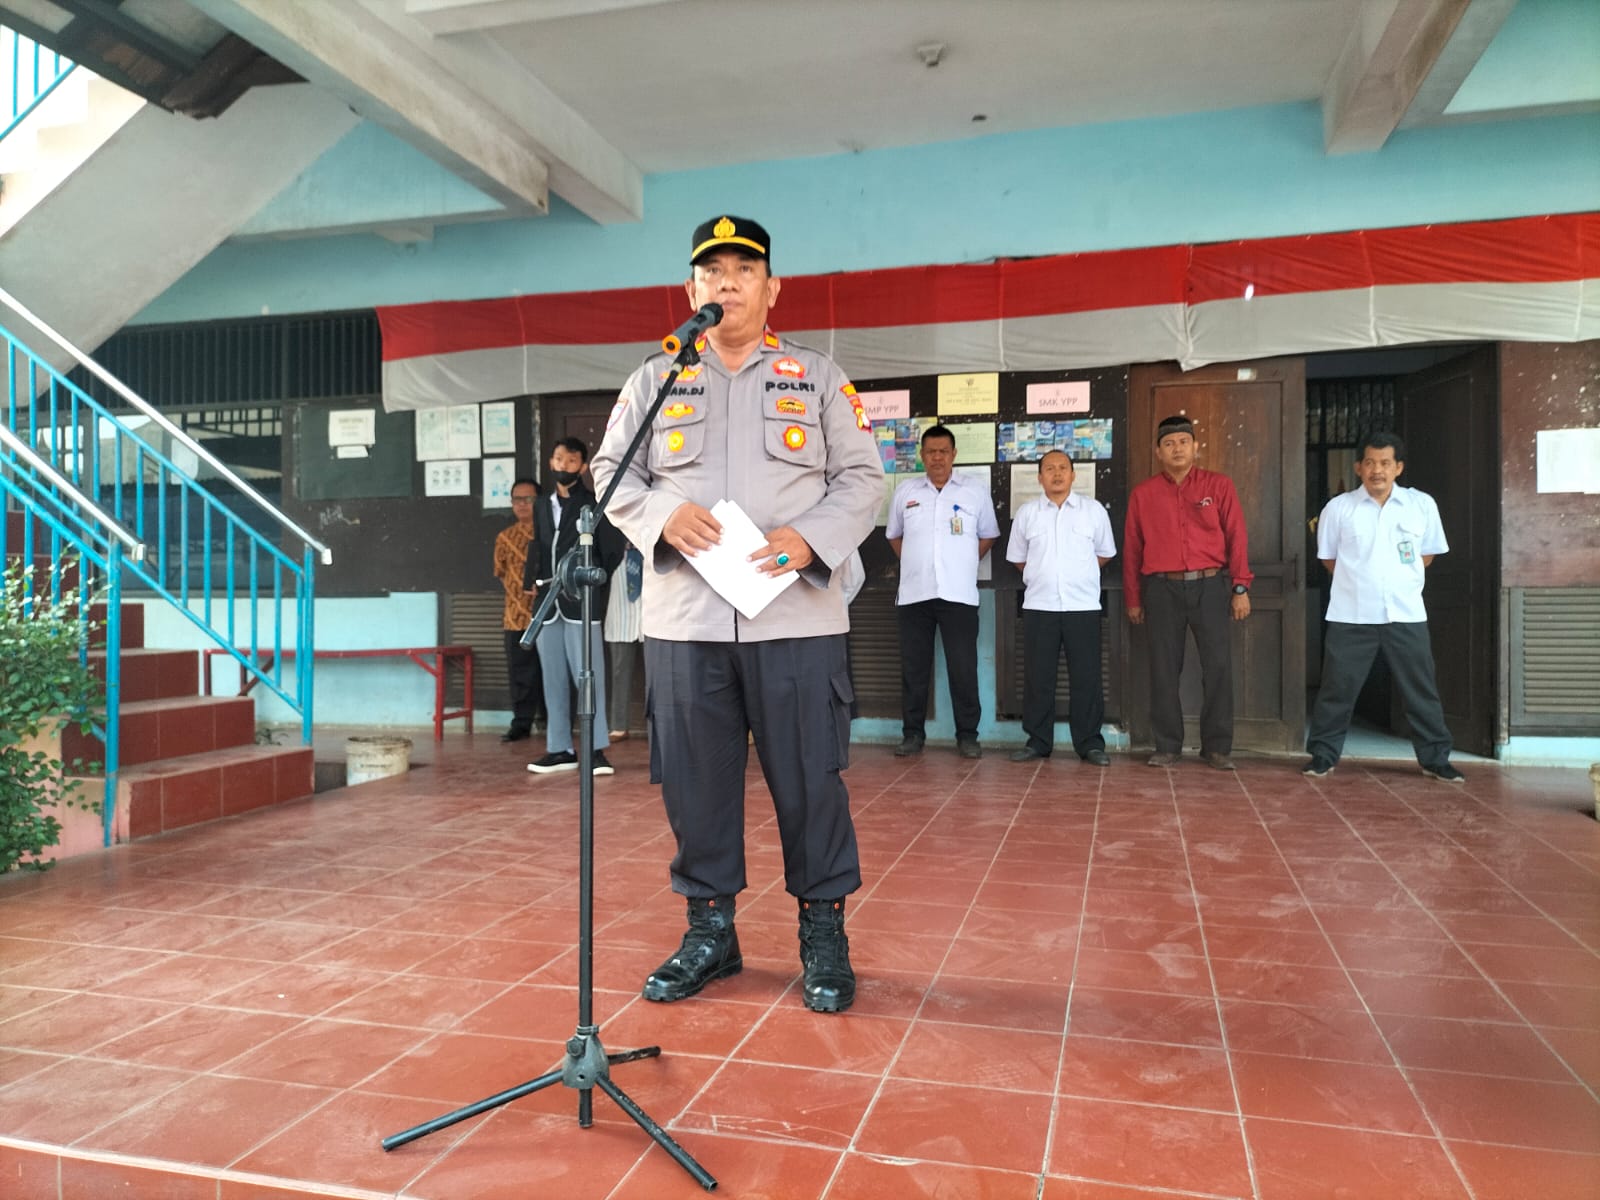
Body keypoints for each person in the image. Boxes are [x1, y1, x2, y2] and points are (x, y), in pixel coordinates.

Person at [590, 214, 883, 1014]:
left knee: (809, 784)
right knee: (694, 785)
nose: (726, 282)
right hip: (686, 622)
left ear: (770, 287)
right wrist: (658, 519)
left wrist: (808, 539)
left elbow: (863, 480)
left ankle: (823, 933)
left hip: (796, 619)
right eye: (711, 271)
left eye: (742, 269)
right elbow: (610, 470)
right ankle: (710, 932)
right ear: (693, 290)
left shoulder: (817, 377)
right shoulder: (655, 380)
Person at [1303, 432, 1462, 782]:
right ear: (1358, 467)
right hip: (1351, 614)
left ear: (1398, 467)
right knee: (1337, 689)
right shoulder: (1339, 508)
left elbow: (1428, 554)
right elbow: (1329, 559)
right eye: (1370, 463)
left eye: (1386, 463)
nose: (1378, 470)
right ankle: (1323, 756)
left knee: (1420, 689)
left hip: (1405, 613)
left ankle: (1435, 759)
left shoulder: (1421, 505)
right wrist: (1362, 581)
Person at [1123, 414, 1252, 770]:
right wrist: (1133, 598)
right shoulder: (1143, 494)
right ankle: (1167, 745)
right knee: (1164, 669)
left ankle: (1217, 747)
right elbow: (1132, 549)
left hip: (1211, 586)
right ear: (1158, 452)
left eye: (1183, 441)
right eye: (1169, 443)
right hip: (1162, 589)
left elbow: (1237, 538)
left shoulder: (1219, 486)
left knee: (1218, 668)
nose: (1176, 448)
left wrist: (1240, 586)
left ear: (1195, 447)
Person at [885, 424, 998, 759]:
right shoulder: (906, 492)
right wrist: (916, 562)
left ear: (954, 455)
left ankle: (967, 735)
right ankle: (912, 734)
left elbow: (988, 534)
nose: (937, 457)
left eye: (943, 451)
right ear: (922, 455)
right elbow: (894, 535)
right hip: (914, 595)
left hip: (958, 594)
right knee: (914, 668)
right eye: (931, 451)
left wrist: (962, 562)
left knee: (963, 667)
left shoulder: (974, 492)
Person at [1006, 450, 1116, 765]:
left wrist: (1076, 575)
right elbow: (1017, 558)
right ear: (1039, 477)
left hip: (1082, 606)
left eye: (1063, 468)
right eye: (1049, 469)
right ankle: (1038, 741)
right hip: (1040, 605)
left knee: (1087, 676)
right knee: (1038, 677)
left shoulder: (1092, 511)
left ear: (1073, 475)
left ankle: (1090, 744)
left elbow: (1105, 553)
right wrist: (1044, 575)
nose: (1057, 474)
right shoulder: (1027, 513)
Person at [523, 436, 623, 777]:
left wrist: (593, 580)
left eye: (571, 460)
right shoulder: (541, 505)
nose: (563, 466)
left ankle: (595, 750)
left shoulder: (593, 504)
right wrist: (530, 584)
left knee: (588, 677)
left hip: (582, 602)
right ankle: (560, 749)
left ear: (582, 466)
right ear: (551, 463)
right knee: (552, 679)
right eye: (558, 459)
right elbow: (538, 545)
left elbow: (611, 549)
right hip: (546, 603)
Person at [492, 477, 546, 742]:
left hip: (547, 614)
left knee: (551, 671)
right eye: (517, 499)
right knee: (520, 672)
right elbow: (500, 572)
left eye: (529, 499)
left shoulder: (549, 532)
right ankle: (521, 723)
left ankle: (553, 723)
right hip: (515, 615)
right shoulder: (504, 537)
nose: (523, 505)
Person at [604, 543, 644, 739]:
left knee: (658, 677)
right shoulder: (611, 552)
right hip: (621, 617)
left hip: (653, 619)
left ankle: (659, 725)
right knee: (619, 673)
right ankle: (619, 725)